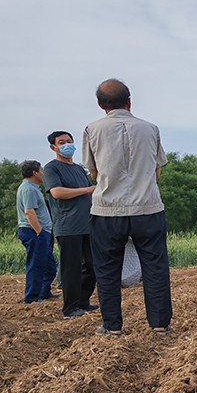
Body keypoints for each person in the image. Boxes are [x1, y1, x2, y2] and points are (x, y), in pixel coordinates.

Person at [82, 78, 173, 336]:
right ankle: (159, 324)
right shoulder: (151, 129)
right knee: (155, 266)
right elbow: (156, 171)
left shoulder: (92, 129)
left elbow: (93, 172)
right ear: (130, 101)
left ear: (101, 105)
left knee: (107, 269)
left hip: (107, 210)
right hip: (148, 207)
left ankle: (112, 326)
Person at [43, 131, 98, 319]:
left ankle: (83, 301)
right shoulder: (52, 169)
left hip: (88, 225)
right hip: (68, 226)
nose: (67, 145)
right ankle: (70, 308)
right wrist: (88, 189)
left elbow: (93, 192)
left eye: (69, 141)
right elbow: (57, 192)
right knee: (71, 268)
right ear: (53, 147)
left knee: (92, 266)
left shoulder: (79, 169)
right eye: (62, 142)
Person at [16, 160, 58, 303]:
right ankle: (32, 298)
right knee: (36, 265)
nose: (42, 173)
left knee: (50, 266)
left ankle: (43, 292)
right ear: (34, 172)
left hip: (40, 232)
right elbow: (29, 212)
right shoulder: (28, 189)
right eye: (41, 170)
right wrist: (39, 232)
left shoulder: (33, 187)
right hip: (33, 232)